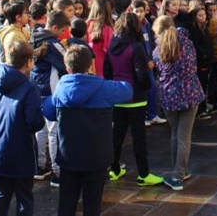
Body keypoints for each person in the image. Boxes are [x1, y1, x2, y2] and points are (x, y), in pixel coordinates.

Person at [42, 46, 132, 216]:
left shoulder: (61, 90)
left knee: (67, 202)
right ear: (91, 65)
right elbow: (127, 90)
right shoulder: (104, 88)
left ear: (68, 68)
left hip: (69, 156)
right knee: (93, 203)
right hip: (96, 157)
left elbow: (48, 112)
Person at [0, 40, 44, 216]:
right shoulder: (29, 88)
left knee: (0, 194)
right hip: (20, 150)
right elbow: (34, 121)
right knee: (24, 197)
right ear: (29, 62)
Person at [104, 13, 163, 186]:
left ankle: (114, 169)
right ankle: (143, 174)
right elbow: (141, 72)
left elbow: (107, 70)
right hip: (135, 96)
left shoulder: (112, 44)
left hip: (117, 94)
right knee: (139, 137)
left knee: (117, 134)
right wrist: (146, 86)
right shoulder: (136, 46)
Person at [151, 16, 204, 191]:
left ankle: (177, 172)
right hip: (190, 93)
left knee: (175, 133)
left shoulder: (158, 51)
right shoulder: (187, 43)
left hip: (169, 96)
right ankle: (179, 172)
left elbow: (159, 70)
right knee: (184, 136)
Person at [30, 11, 69, 186]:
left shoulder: (33, 37)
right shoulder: (53, 44)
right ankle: (58, 171)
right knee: (54, 132)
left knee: (41, 130)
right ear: (54, 28)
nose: (63, 34)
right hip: (52, 91)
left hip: (38, 88)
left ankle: (39, 165)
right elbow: (66, 62)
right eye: (62, 30)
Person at [87, 0, 115, 78]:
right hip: (101, 66)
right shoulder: (107, 29)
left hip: (87, 64)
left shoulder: (87, 24)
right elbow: (109, 49)